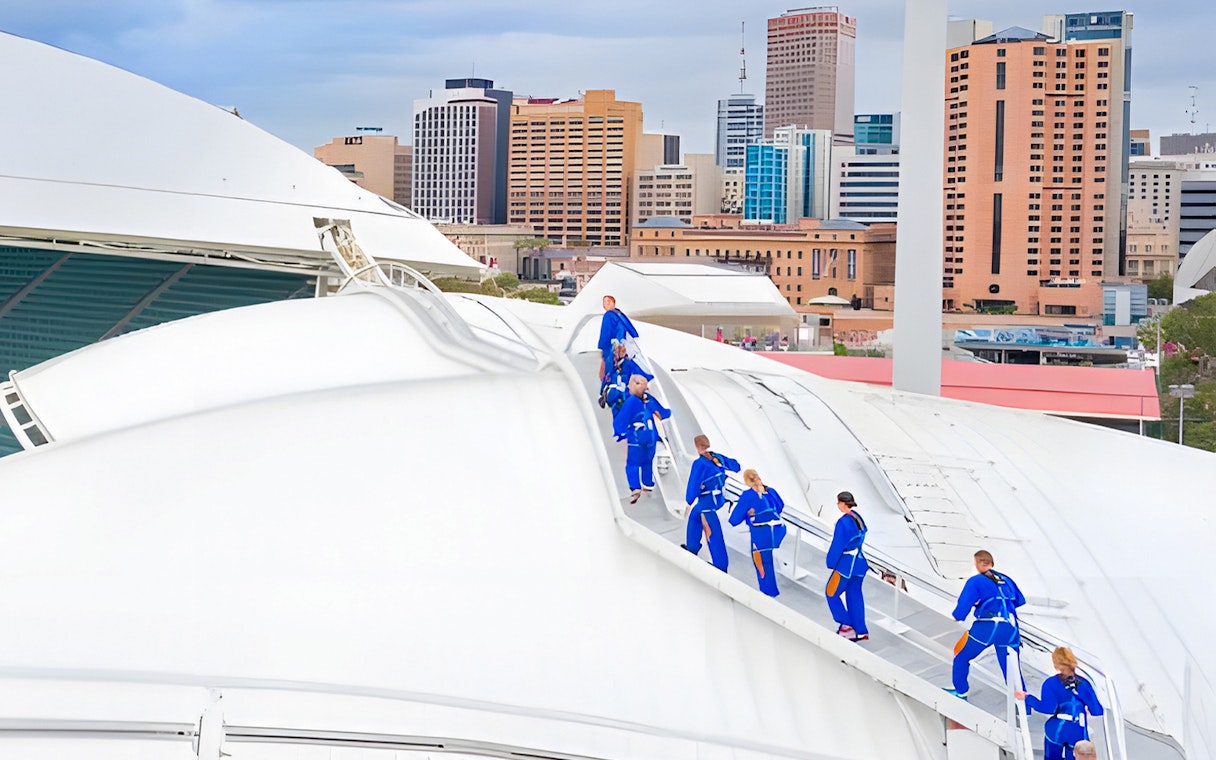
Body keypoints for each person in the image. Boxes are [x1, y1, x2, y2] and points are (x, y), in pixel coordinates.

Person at [948, 549, 1026, 699]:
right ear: (992, 563)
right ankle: (1024, 708)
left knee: (961, 657)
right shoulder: (1006, 579)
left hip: (988, 627)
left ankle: (961, 691)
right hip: (1010, 628)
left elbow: (964, 605)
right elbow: (1019, 601)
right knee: (1012, 670)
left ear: (977, 563)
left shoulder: (975, 581)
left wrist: (957, 616)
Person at [1016, 647, 1105, 760]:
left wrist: (1028, 698)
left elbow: (1048, 708)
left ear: (1056, 664)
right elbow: (1097, 710)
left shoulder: (1050, 683)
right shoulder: (1085, 684)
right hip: (1077, 731)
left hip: (1056, 729)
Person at [682, 435, 740, 572]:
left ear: (697, 447)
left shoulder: (699, 463)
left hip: (707, 501)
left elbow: (693, 484)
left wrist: (689, 501)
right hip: (718, 497)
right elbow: (736, 466)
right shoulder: (717, 457)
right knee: (694, 517)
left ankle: (721, 564)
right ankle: (692, 547)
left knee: (712, 531)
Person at [728, 469, 787, 597]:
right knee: (768, 559)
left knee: (761, 561)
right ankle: (771, 589)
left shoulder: (749, 495)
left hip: (761, 532)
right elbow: (780, 506)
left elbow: (735, 518)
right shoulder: (770, 491)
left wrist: (747, 516)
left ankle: (767, 591)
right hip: (777, 529)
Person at [612, 375, 671, 503]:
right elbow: (664, 413)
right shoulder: (650, 400)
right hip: (651, 438)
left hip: (636, 439)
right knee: (647, 462)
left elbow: (621, 420)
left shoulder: (631, 402)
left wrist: (619, 433)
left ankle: (635, 488)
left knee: (633, 464)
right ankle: (648, 485)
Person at [826, 491, 869, 642]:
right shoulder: (858, 518)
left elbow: (837, 545)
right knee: (854, 594)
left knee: (831, 593)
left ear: (843, 504)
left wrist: (831, 562)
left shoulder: (843, 522)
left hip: (846, 564)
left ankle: (846, 625)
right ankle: (861, 630)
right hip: (860, 562)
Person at [599, 341, 652, 417]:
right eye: (616, 351)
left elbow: (641, 376)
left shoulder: (629, 364)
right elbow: (605, 379)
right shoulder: (611, 364)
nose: (618, 353)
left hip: (628, 393)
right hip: (616, 394)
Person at [597, 295, 638, 380]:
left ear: (613, 303)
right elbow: (632, 331)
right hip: (625, 345)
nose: (606, 304)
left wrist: (602, 346)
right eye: (604, 302)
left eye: (608, 301)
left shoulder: (609, 315)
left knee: (608, 369)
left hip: (613, 346)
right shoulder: (620, 314)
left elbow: (606, 332)